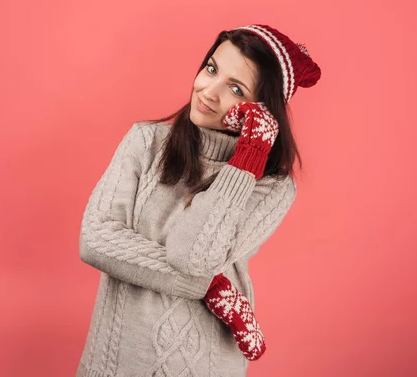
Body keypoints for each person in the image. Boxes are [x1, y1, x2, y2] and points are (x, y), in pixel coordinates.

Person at [77, 23, 321, 376]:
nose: (209, 91)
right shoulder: (145, 142)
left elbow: (192, 256)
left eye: (235, 88)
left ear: (260, 111)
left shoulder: (272, 188)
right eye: (211, 69)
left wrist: (246, 161)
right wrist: (213, 288)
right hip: (114, 359)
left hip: (201, 364)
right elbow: (95, 240)